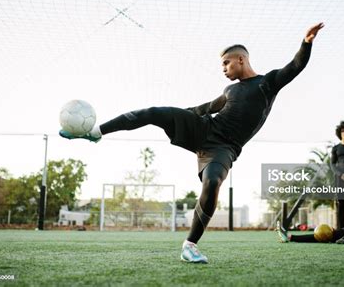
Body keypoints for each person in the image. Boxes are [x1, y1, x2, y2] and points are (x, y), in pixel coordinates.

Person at [60, 23, 325, 263]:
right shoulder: (230, 90)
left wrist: (306, 42)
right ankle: (97, 132)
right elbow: (207, 107)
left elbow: (295, 66)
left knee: (212, 183)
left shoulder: (267, 83)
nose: (223, 69)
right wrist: (179, 115)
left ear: (241, 59)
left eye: (226, 63)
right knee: (154, 111)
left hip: (224, 148)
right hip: (205, 128)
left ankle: (190, 245)